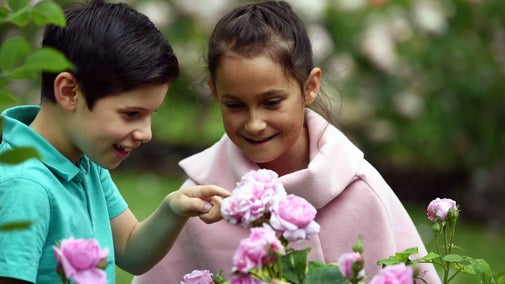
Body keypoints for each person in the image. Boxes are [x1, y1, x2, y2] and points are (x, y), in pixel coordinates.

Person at [132, 1, 441, 283]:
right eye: (235, 105)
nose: (255, 124)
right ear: (215, 93)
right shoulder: (200, 200)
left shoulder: (360, 190)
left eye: (272, 102)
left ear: (310, 87)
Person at [0, 1, 230, 283]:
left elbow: (130, 249)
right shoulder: (26, 187)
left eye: (150, 116)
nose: (146, 134)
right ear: (69, 91)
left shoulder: (84, 162)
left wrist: (173, 208)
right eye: (131, 114)